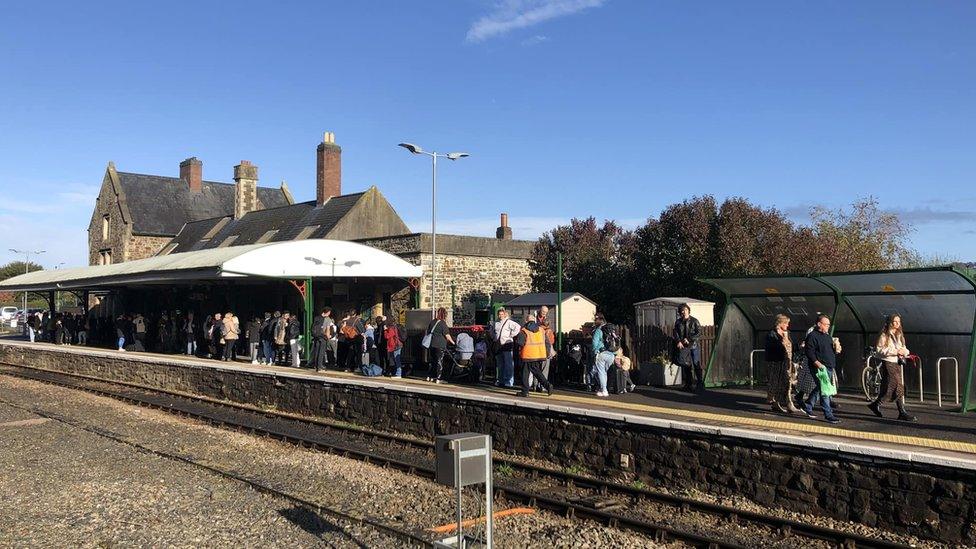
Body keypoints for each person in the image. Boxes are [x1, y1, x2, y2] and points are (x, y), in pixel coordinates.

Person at [868, 314, 917, 422]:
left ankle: (876, 405)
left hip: (897, 363)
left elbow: (904, 348)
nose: (897, 323)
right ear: (890, 322)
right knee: (896, 384)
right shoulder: (884, 335)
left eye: (899, 321)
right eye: (895, 321)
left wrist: (905, 352)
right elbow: (880, 350)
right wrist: (896, 352)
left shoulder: (899, 335)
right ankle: (901, 412)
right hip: (888, 362)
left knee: (893, 386)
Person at [803, 314, 841, 424]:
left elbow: (830, 350)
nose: (828, 326)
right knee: (825, 391)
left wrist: (837, 348)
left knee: (821, 388)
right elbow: (809, 351)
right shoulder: (812, 336)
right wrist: (817, 363)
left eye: (829, 325)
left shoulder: (828, 336)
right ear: (819, 324)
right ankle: (828, 414)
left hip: (828, 366)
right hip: (819, 367)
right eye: (826, 324)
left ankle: (808, 405)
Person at [765, 314, 799, 414]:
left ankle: (789, 404)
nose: (788, 325)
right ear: (780, 323)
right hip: (775, 363)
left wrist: (798, 346)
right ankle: (776, 403)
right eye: (786, 323)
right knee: (775, 384)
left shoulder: (787, 333)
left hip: (786, 362)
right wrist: (782, 340)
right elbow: (775, 348)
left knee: (787, 383)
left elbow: (790, 347)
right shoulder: (772, 334)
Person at [515, 313, 554, 397]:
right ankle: (548, 385)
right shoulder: (541, 330)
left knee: (525, 373)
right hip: (538, 354)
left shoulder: (524, 330)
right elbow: (547, 342)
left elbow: (520, 343)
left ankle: (525, 391)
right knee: (537, 372)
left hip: (527, 354)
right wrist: (546, 353)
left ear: (526, 320)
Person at [673, 304, 703, 392]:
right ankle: (688, 384)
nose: (684, 312)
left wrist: (689, 339)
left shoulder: (694, 321)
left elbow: (699, 332)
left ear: (688, 310)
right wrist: (678, 341)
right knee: (686, 365)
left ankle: (700, 384)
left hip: (693, 346)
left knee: (696, 363)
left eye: (685, 310)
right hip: (684, 347)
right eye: (682, 310)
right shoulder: (678, 322)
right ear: (680, 312)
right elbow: (675, 332)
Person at [492, 309, 520, 388]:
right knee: (500, 364)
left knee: (508, 364)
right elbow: (492, 331)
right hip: (498, 345)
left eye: (502, 314)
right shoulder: (496, 323)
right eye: (499, 314)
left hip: (507, 344)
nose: (500, 316)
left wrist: (511, 335)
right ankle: (501, 380)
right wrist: (494, 337)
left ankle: (509, 381)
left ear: (504, 315)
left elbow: (518, 327)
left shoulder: (509, 322)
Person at [425, 307, 454, 383]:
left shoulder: (432, 322)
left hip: (432, 344)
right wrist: (454, 342)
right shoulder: (442, 323)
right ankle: (439, 378)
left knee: (433, 361)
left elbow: (428, 332)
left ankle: (430, 376)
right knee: (439, 361)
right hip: (440, 345)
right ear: (445, 315)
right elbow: (447, 336)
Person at [590, 313, 616, 397]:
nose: (594, 321)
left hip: (601, 354)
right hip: (611, 354)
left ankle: (604, 390)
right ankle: (604, 389)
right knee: (605, 372)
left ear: (599, 320)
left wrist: (594, 352)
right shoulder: (610, 330)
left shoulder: (598, 331)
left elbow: (594, 343)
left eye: (595, 319)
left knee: (601, 373)